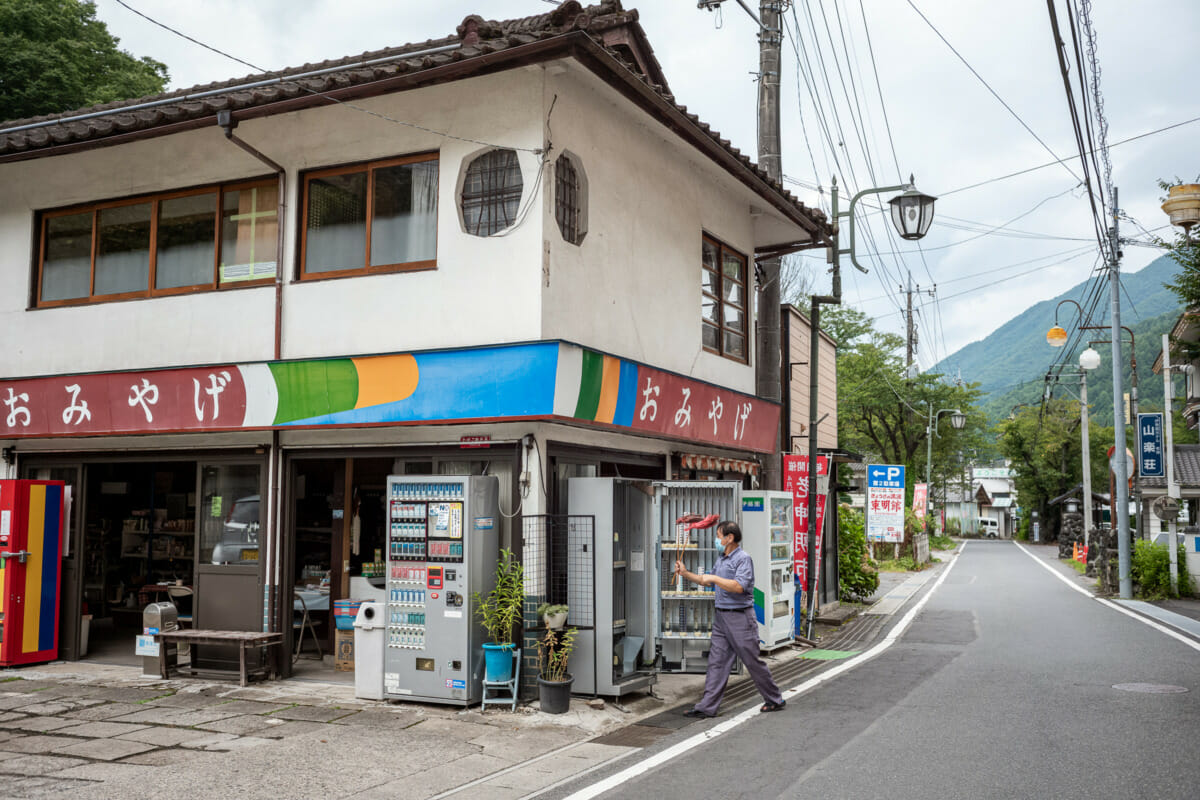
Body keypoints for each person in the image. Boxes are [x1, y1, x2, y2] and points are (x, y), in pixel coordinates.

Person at [675, 519, 785, 718]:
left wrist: (715, 579)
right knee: (716, 662)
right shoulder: (722, 558)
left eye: (718, 537)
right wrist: (685, 573)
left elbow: (739, 586)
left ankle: (775, 699)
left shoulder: (743, 558)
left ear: (730, 538)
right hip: (722, 618)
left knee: (752, 661)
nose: (716, 540)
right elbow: (705, 580)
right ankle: (707, 707)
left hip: (740, 618)